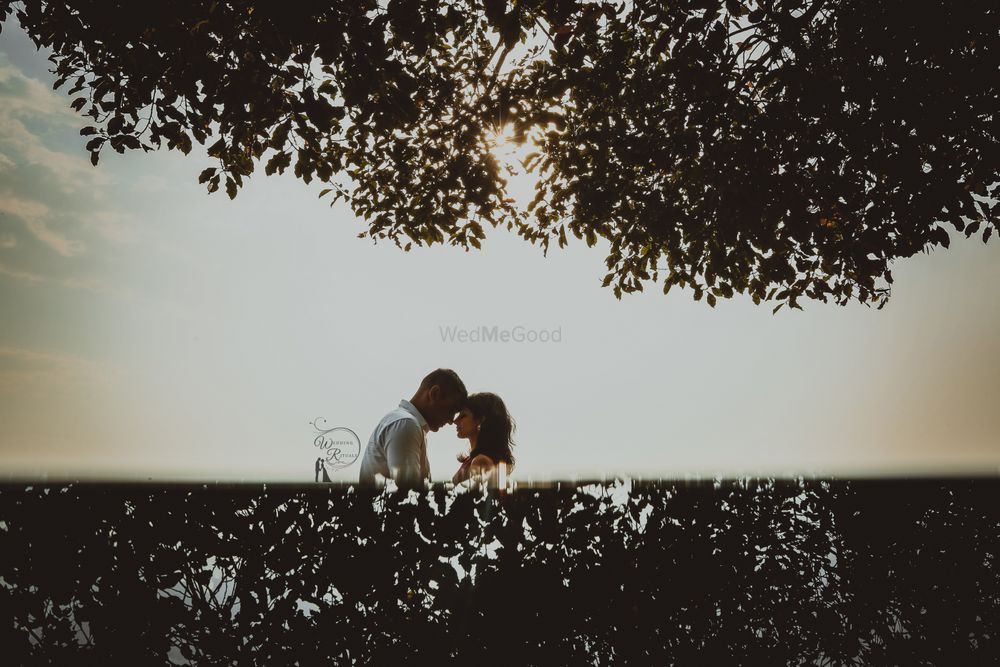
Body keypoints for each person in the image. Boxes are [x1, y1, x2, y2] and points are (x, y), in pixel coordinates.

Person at [358, 368, 468, 490]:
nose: (451, 421)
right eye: (451, 410)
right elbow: (408, 493)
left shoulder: (406, 423)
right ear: (434, 394)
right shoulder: (406, 424)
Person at [452, 392, 516, 488]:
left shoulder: (481, 461)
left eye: (463, 415)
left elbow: (477, 500)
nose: (455, 420)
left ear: (481, 420)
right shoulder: (477, 458)